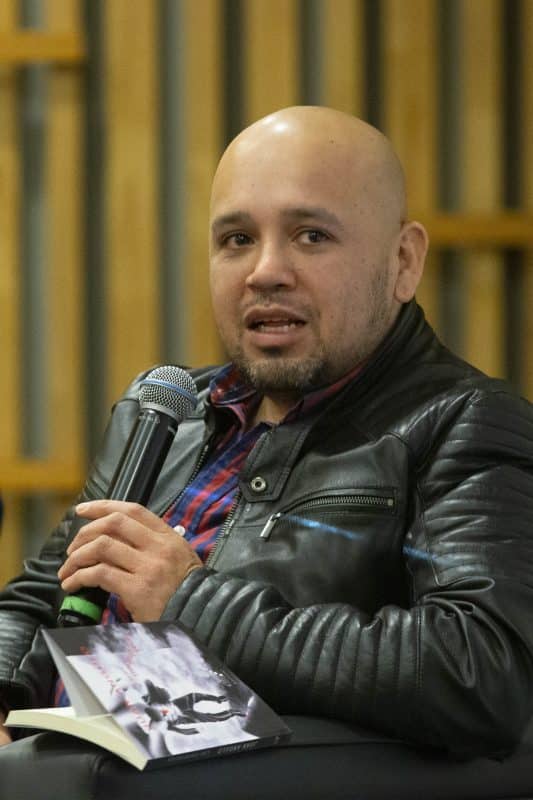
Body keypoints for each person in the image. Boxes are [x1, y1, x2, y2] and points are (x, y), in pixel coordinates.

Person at [1, 105, 533, 764]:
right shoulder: (164, 411)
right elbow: (39, 599)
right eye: (236, 239)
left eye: (311, 235)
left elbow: (480, 672)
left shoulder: (461, 421)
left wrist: (190, 601)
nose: (265, 271)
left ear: (403, 261)